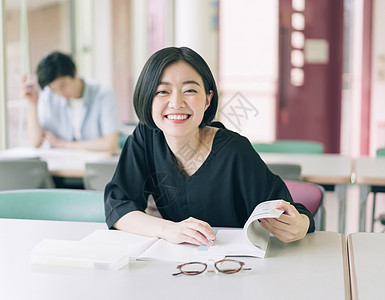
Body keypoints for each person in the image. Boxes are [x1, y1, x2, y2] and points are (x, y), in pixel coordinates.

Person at [104, 46, 314, 246]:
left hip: (233, 267)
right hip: (177, 268)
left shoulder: (234, 151)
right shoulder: (146, 138)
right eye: (162, 92)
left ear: (207, 99)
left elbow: (290, 211)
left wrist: (300, 225)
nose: (176, 103)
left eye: (189, 90)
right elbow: (118, 207)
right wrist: (168, 230)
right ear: (147, 98)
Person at [22, 51, 120, 153]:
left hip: (94, 166)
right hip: (61, 165)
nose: (60, 93)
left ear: (75, 73)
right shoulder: (48, 97)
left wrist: (62, 145)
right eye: (54, 89)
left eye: (63, 86)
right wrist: (33, 104)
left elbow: (110, 144)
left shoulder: (103, 94)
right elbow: (34, 142)